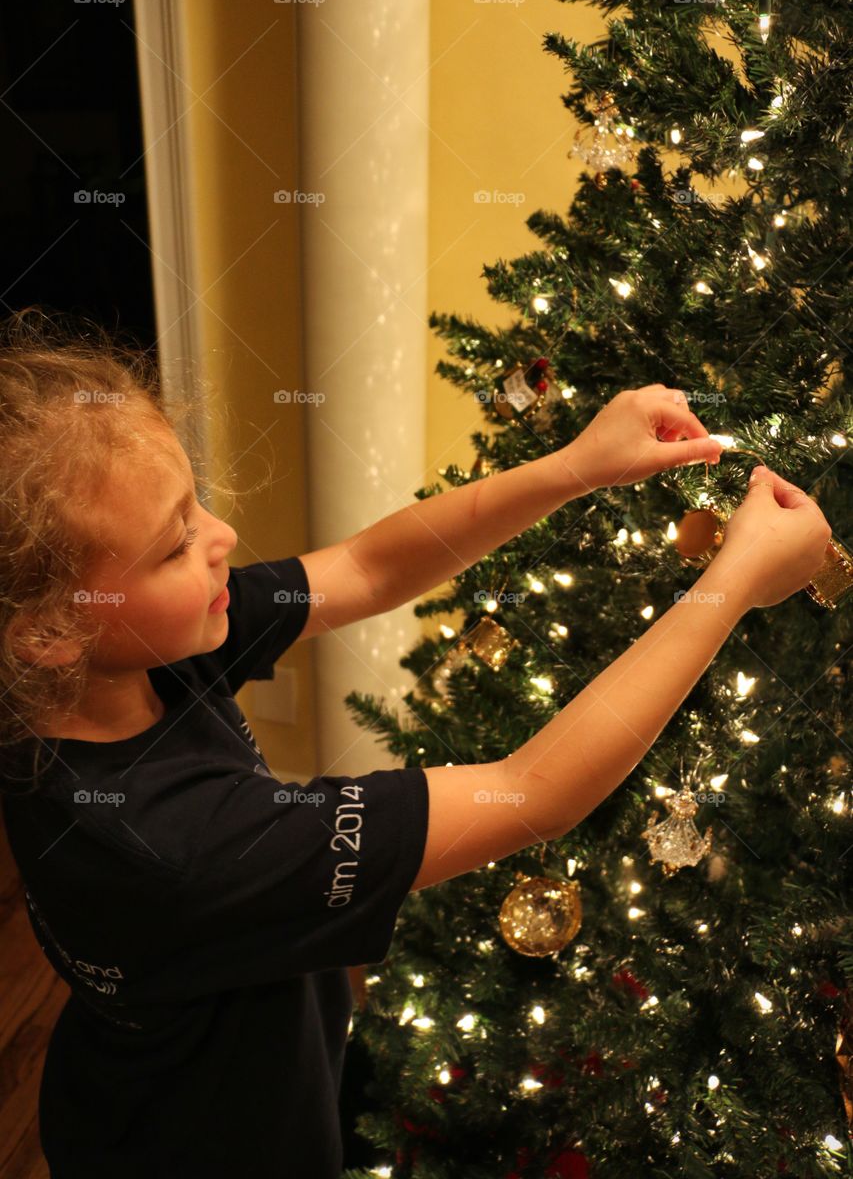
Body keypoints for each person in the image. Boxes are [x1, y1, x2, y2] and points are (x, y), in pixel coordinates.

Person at [0, 314, 831, 1179]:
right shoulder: (183, 848)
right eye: (175, 543)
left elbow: (364, 567)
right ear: (52, 630)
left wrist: (574, 467)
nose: (221, 540)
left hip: (149, 1083)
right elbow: (533, 791)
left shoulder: (122, 663)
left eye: (195, 501)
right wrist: (728, 587)